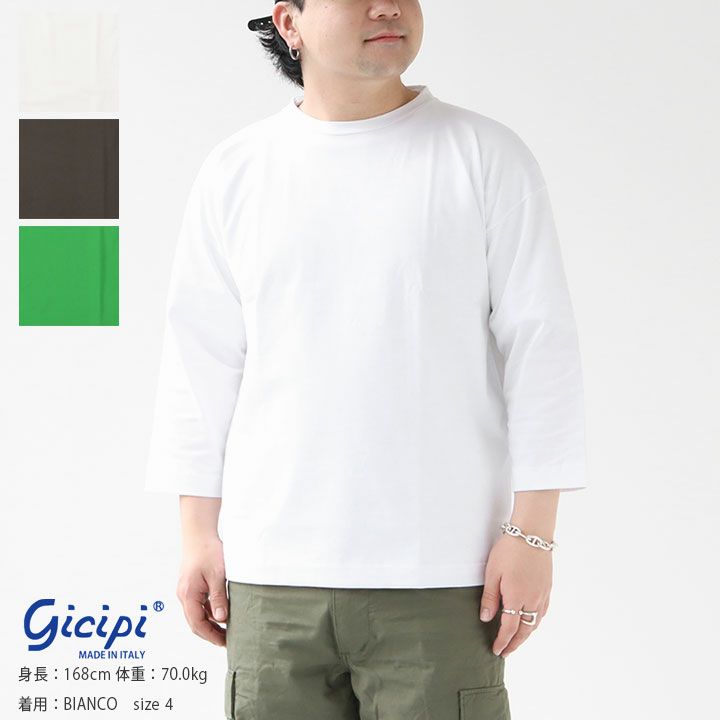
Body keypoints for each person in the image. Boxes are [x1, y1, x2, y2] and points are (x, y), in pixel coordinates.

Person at [145, 1, 588, 718]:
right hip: (271, 576)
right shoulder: (237, 170)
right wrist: (198, 534)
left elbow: (542, 349)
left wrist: (534, 532)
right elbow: (200, 364)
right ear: (289, 23)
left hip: (445, 574)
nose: (388, 7)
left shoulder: (484, 156)